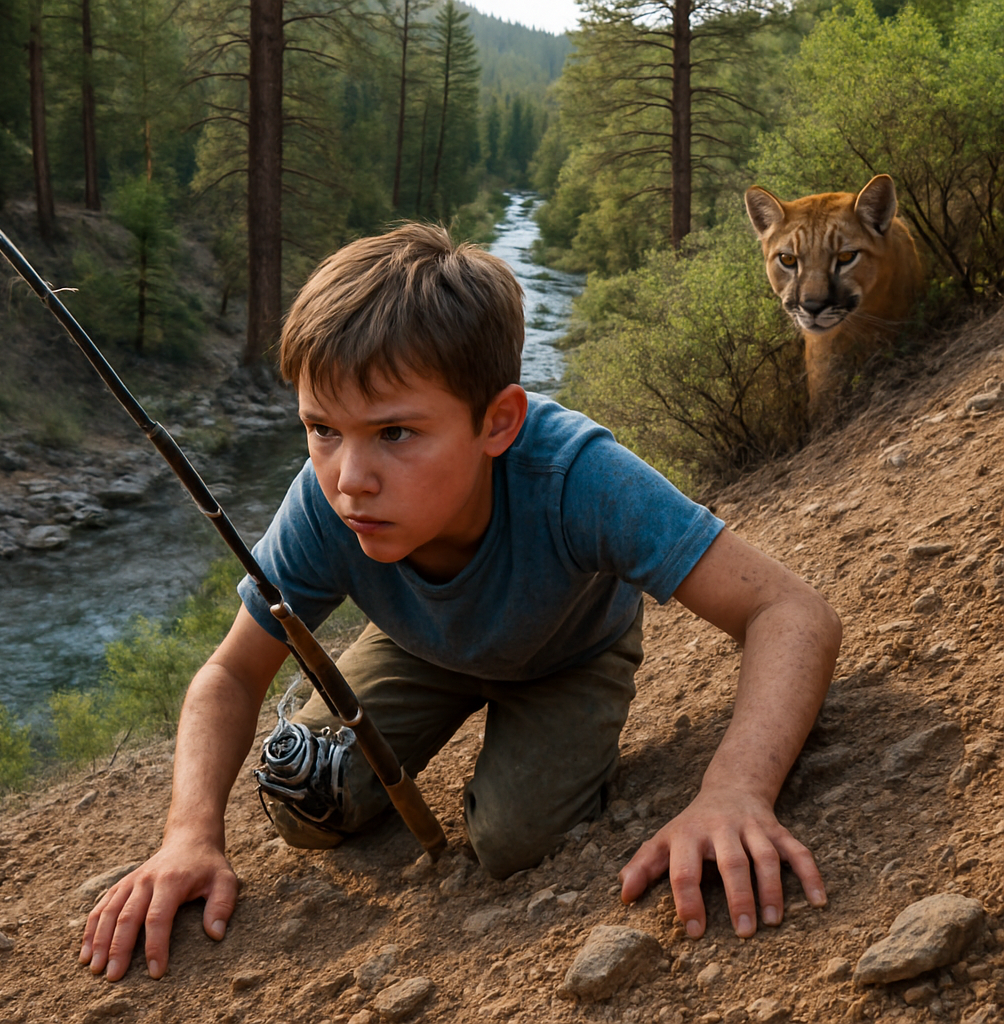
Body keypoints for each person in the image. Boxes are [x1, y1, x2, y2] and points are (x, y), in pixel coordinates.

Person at [80, 223, 841, 983]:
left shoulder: (578, 477)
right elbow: (229, 675)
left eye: (396, 432)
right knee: (304, 803)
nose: (350, 479)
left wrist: (735, 791)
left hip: (567, 656)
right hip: (416, 647)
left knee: (513, 841)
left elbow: (792, 613)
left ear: (498, 422)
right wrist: (189, 835)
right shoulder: (325, 502)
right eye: (322, 429)